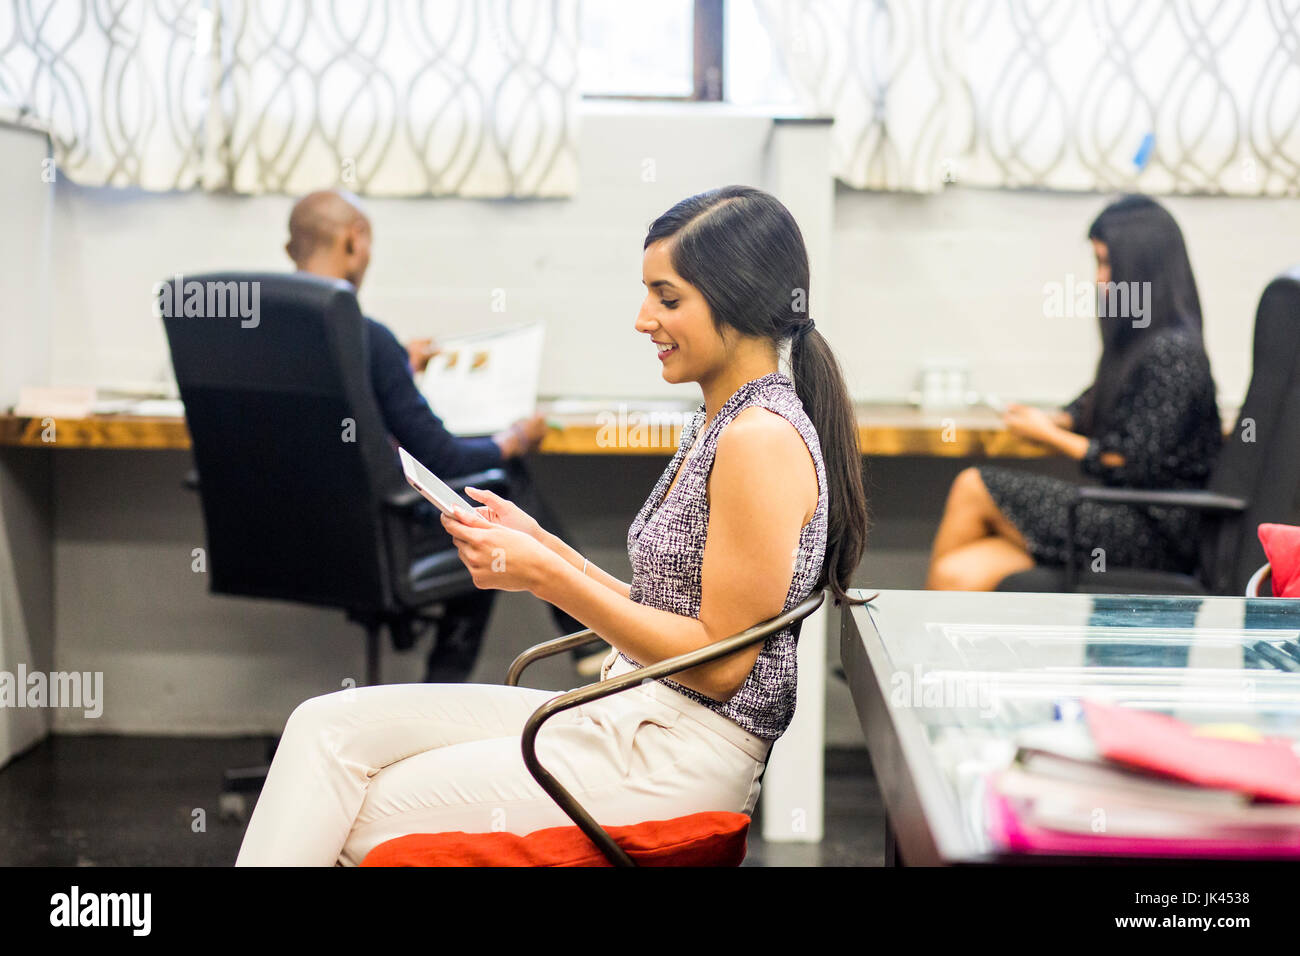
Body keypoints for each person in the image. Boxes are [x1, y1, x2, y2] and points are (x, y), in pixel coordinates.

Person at [235, 185, 870, 866]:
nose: (642, 319)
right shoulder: (724, 421)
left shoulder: (758, 439)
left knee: (356, 818)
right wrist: (542, 546)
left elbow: (717, 667)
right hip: (633, 709)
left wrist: (546, 578)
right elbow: (673, 614)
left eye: (668, 298)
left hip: (674, 753)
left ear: (738, 301)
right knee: (324, 730)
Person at [286, 189, 580, 679]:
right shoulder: (365, 336)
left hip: (291, 537)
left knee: (487, 496)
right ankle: (457, 685)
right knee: (490, 500)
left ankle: (571, 640)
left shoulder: (271, 331)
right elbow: (442, 455)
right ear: (354, 241)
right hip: (373, 537)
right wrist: (512, 440)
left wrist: (396, 366)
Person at [926, 194, 1223, 590]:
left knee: (973, 485)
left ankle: (910, 645)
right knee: (958, 574)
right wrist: (1057, 419)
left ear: (1139, 269)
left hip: (1153, 532)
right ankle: (921, 648)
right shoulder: (1142, 345)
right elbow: (1096, 404)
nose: (1100, 278)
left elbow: (1125, 460)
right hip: (1124, 516)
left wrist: (1048, 435)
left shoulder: (1175, 353)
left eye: (1106, 263)